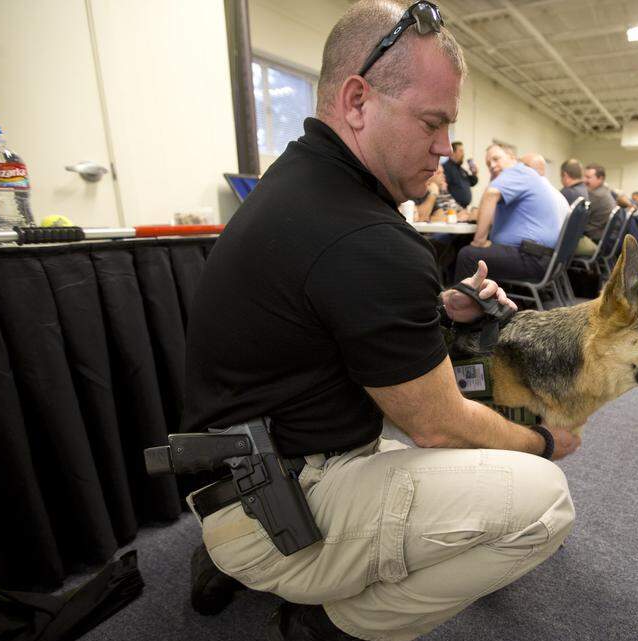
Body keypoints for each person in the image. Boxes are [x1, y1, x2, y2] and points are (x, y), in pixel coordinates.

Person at [182, 3, 579, 640]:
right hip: (281, 500)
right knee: (543, 499)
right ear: (359, 99)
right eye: (433, 122)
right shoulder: (368, 238)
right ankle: (331, 624)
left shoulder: (297, 182)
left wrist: (440, 309)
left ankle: (242, 559)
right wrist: (547, 443)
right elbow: (440, 426)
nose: (447, 148)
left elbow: (318, 322)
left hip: (234, 476)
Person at [455, 144, 564, 282]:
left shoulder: (517, 171)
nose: (492, 166)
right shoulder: (522, 176)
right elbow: (491, 215)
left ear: (512, 157)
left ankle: (462, 303)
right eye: (488, 164)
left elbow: (490, 195)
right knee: (467, 247)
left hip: (531, 258)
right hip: (538, 257)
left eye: (496, 159)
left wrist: (479, 241)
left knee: (468, 255)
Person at [574, 162, 616, 257]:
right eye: (584, 176)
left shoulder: (596, 195)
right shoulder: (605, 192)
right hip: (605, 239)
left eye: (588, 177)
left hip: (595, 238)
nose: (584, 180)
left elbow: (578, 219)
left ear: (600, 179)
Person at [442, 141, 478, 208]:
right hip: (453, 209)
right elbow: (443, 190)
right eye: (461, 151)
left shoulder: (461, 170)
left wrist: (474, 173)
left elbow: (472, 182)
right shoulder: (445, 168)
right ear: (452, 152)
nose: (463, 154)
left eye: (463, 151)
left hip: (463, 209)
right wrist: (454, 208)